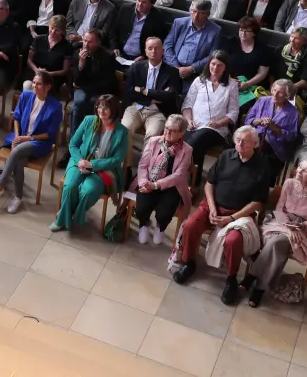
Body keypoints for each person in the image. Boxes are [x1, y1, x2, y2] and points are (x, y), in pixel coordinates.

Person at [172, 126, 277, 304]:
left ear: (255, 144)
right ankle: (189, 263)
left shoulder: (262, 166)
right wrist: (212, 208)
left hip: (240, 214)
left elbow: (258, 202)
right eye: (238, 140)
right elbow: (209, 184)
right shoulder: (226, 156)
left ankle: (231, 279)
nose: (240, 143)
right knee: (190, 225)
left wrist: (231, 218)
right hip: (214, 205)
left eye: (245, 141)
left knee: (233, 240)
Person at [244, 154, 307, 308]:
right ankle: (259, 287)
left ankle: (253, 277)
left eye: (304, 170)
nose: (298, 171)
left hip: (301, 229)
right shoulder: (289, 183)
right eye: (300, 168)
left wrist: (302, 227)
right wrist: (289, 227)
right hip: (279, 222)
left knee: (277, 243)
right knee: (276, 243)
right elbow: (279, 209)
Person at [0, 71, 63, 214]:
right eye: (33, 82)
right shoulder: (26, 95)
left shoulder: (55, 106)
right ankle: (18, 197)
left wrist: (27, 139)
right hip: (21, 136)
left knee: (17, 151)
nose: (34, 86)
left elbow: (49, 134)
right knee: (19, 160)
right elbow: (16, 117)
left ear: (48, 87)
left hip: (40, 142)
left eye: (39, 84)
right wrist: (18, 135)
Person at [50, 93, 128, 232]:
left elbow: (117, 159)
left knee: (88, 191)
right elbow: (73, 144)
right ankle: (63, 220)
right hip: (79, 161)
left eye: (106, 108)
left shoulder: (122, 132)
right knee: (70, 187)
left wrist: (92, 165)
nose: (101, 110)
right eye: (99, 106)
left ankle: (70, 216)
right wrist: (80, 161)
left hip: (102, 169)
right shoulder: (88, 120)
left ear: (114, 111)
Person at [131, 114, 194, 244]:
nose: (167, 132)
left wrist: (156, 185)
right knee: (141, 208)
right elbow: (143, 165)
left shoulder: (187, 150)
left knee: (164, 212)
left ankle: (160, 227)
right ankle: (144, 224)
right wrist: (144, 183)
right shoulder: (154, 141)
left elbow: (179, 175)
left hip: (172, 186)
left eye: (172, 130)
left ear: (181, 133)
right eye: (166, 128)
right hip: (149, 179)